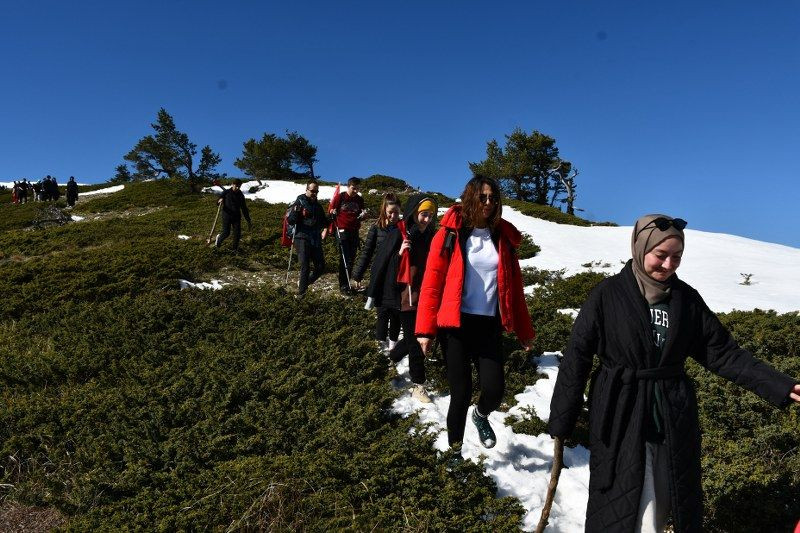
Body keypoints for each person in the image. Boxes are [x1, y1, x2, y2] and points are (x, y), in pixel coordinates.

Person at [547, 214, 800, 533]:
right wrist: (562, 418)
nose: (668, 265)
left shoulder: (686, 300)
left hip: (671, 419)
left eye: (676, 257)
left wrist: (781, 385)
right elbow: (577, 357)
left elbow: (722, 352)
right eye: (661, 255)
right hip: (620, 417)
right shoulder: (607, 295)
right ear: (641, 248)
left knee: (664, 503)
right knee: (632, 509)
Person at [416, 176, 535, 450]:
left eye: (493, 198)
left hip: (488, 325)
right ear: (471, 198)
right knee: (461, 394)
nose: (489, 203)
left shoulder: (502, 239)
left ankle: (481, 416)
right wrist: (424, 330)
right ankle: (455, 453)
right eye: (483, 197)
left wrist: (524, 332)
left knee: (494, 391)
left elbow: (514, 290)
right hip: (455, 326)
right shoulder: (449, 235)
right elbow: (432, 283)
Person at [354, 193, 402, 352]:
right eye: (391, 212)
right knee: (382, 310)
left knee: (396, 311)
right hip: (380, 275)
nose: (394, 216)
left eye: (397, 212)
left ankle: (393, 346)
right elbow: (367, 252)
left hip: (397, 276)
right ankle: (380, 344)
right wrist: (357, 274)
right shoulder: (376, 228)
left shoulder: (403, 228)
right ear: (384, 210)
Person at [287, 180, 328, 297]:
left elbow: (323, 222)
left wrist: (331, 218)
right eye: (312, 191)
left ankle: (305, 283)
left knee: (321, 266)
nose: (314, 193)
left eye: (316, 191)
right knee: (305, 266)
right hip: (301, 237)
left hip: (315, 238)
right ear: (306, 190)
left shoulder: (318, 206)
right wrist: (296, 213)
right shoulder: (299, 202)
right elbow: (290, 221)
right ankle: (301, 294)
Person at [329, 177, 365, 294]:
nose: (355, 191)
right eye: (353, 188)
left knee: (351, 258)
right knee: (344, 257)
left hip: (354, 231)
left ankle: (347, 283)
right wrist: (332, 212)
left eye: (357, 189)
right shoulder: (341, 197)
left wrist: (364, 215)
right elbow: (331, 209)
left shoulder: (359, 199)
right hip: (342, 229)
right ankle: (343, 286)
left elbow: (361, 213)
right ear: (348, 186)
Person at [214, 179, 252, 252]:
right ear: (232, 184)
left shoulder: (240, 195)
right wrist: (219, 201)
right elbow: (217, 202)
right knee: (226, 233)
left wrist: (248, 219)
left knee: (237, 234)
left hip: (236, 217)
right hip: (227, 215)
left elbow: (244, 208)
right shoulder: (226, 192)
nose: (237, 187)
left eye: (239, 186)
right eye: (236, 186)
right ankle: (218, 240)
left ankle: (234, 249)